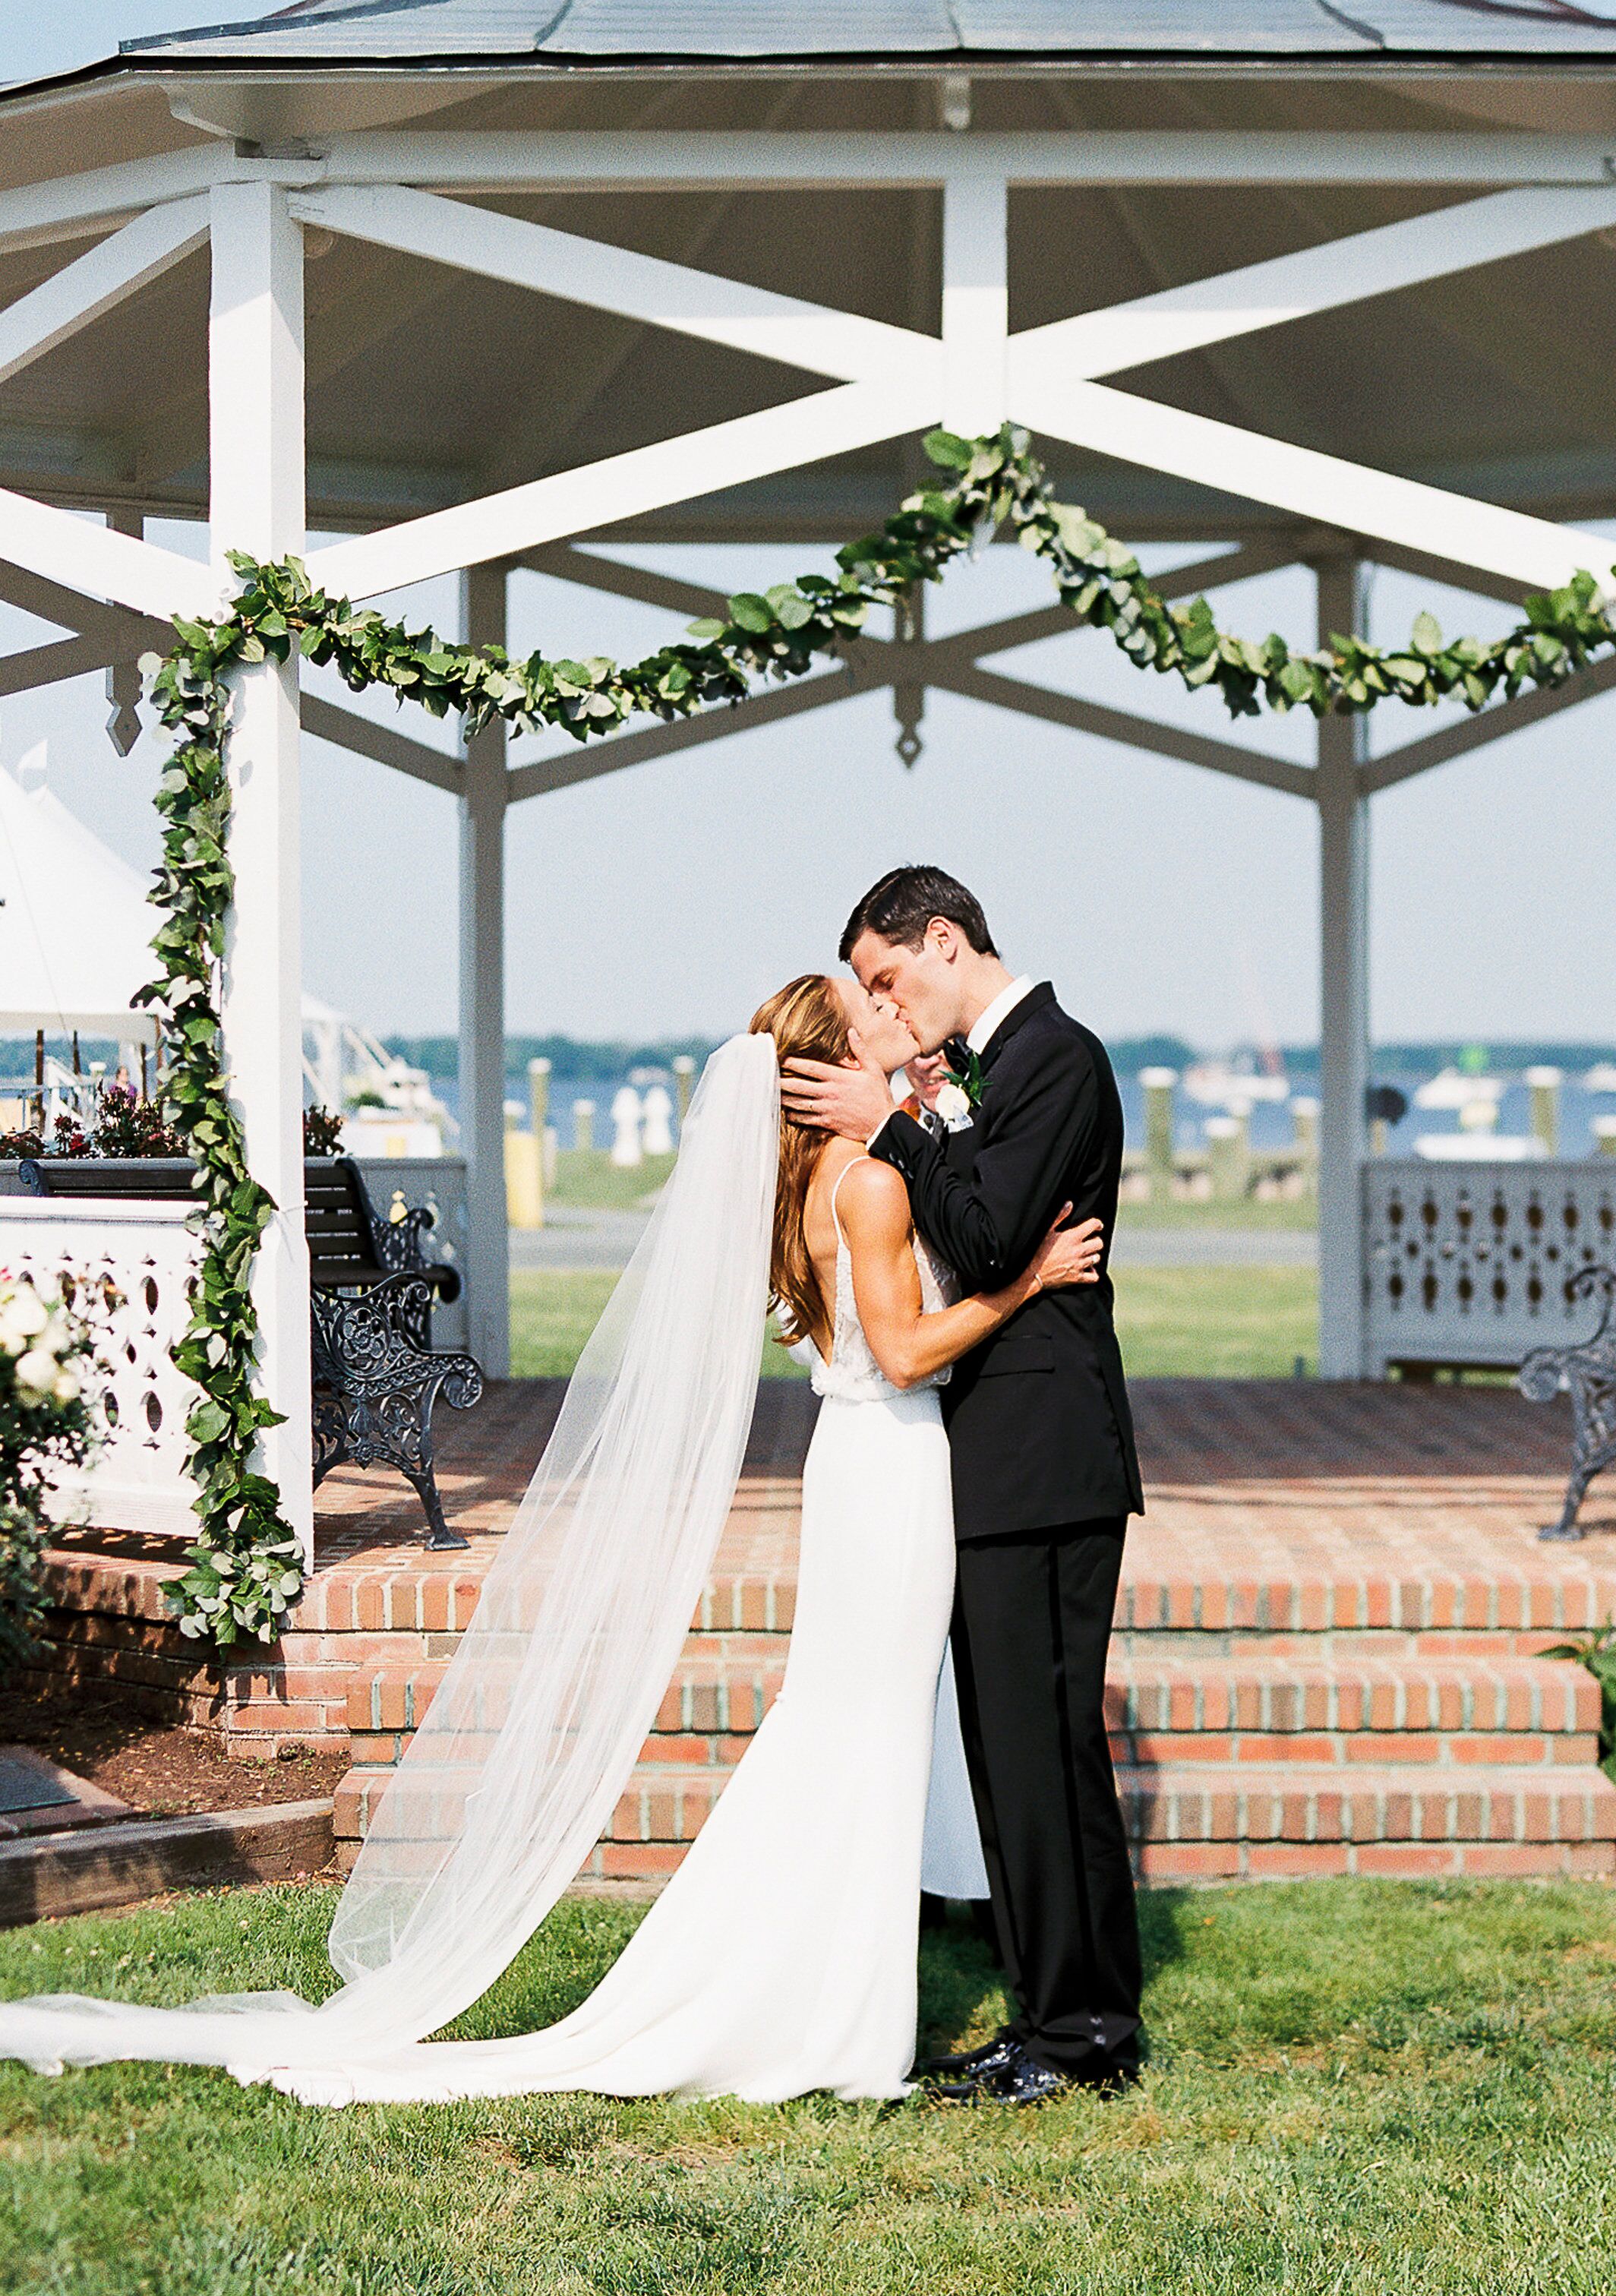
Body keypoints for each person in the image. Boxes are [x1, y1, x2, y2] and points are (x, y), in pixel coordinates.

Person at [0, 978, 1099, 2108]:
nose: (888, 1024)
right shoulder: (866, 1182)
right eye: (866, 1020)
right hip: (891, 1469)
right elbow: (911, 1353)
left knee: (852, 1726)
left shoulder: (813, 1178)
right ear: (826, 1069)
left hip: (868, 1465)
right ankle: (820, 2010)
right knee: (861, 1729)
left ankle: (825, 1991)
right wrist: (1023, 1282)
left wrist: (925, 1117)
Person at [782, 867, 1145, 2104]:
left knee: (1041, 1750)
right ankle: (1067, 2020)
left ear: (946, 940)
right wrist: (923, 1120)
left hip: (1046, 1458)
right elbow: (979, 1224)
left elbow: (986, 1239)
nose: (887, 1002)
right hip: (999, 1461)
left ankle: (1075, 2036)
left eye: (888, 976)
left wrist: (890, 1123)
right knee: (1016, 1751)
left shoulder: (1056, 1054)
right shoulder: (996, 1071)